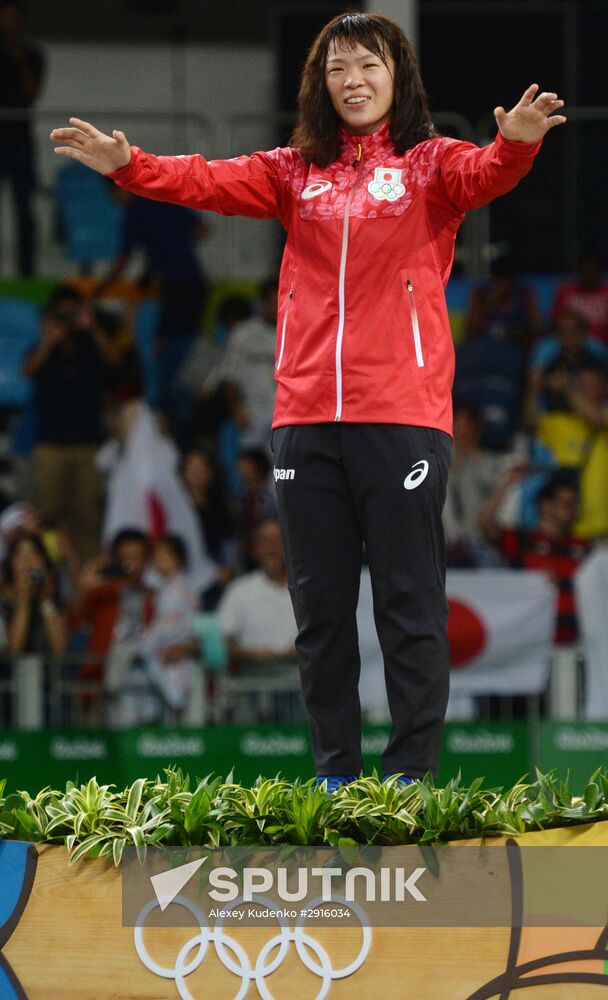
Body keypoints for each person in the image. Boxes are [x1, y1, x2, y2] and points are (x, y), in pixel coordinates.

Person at [50, 11, 566, 790]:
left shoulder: (431, 166)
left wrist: (517, 141)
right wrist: (131, 165)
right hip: (303, 424)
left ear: (398, 76)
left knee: (407, 606)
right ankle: (335, 775)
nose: (353, 80)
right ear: (321, 84)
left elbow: (487, 174)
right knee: (321, 615)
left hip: (400, 419)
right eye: (337, 68)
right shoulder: (294, 172)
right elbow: (206, 180)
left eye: (368, 64)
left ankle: (411, 775)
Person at [23, 285, 122, 561]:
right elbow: (28, 371)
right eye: (62, 314)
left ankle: (88, 583)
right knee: (46, 517)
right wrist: (49, 340)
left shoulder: (92, 346)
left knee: (88, 518)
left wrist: (92, 328)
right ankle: (47, 573)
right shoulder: (44, 349)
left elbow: (116, 361)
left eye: (72, 313)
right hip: (50, 447)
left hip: (88, 447)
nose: (68, 320)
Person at [0, 0, 45, 275]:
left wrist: (18, 58)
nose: (9, 22)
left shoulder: (32, 54)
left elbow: (31, 94)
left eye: (14, 17)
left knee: (24, 208)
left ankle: (26, 272)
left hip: (19, 138)